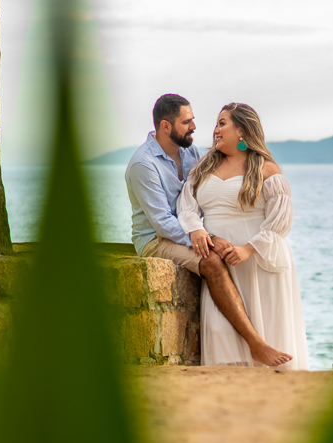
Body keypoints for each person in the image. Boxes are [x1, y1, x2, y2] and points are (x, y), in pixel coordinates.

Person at [125, 94, 292, 367]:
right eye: (187, 122)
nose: (194, 127)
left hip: (190, 234)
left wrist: (209, 233)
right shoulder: (143, 165)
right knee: (212, 262)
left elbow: (197, 196)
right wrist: (207, 239)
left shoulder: (190, 151)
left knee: (217, 256)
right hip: (155, 239)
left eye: (194, 120)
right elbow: (162, 222)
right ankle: (255, 344)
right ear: (166, 126)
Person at [177, 103, 308, 370]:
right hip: (220, 261)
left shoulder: (266, 169)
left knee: (269, 328)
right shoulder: (203, 168)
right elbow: (186, 206)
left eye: (222, 123)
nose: (215, 130)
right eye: (216, 123)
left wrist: (248, 249)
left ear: (242, 130)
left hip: (258, 260)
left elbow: (280, 220)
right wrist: (197, 229)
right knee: (221, 330)